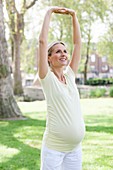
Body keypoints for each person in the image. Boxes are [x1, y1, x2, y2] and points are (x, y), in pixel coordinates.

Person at [36, 6, 85, 170]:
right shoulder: (47, 79)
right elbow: (42, 42)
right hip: (54, 150)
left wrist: (74, 16)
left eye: (65, 51)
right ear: (49, 58)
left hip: (74, 150)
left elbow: (78, 44)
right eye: (58, 51)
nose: (63, 54)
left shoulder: (70, 76)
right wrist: (49, 12)